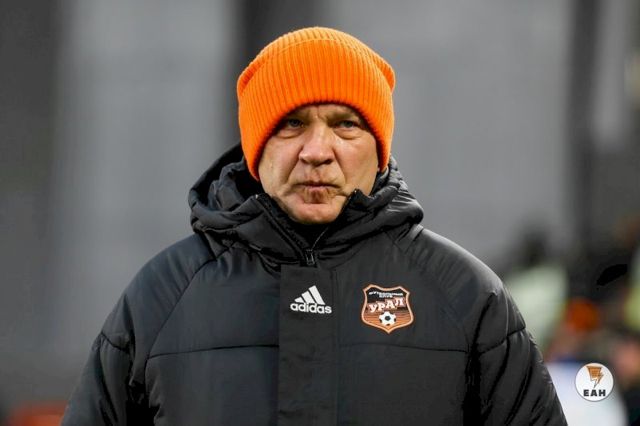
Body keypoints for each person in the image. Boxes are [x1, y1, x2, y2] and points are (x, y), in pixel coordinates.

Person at [61, 26, 566, 425]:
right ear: (256, 148)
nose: (317, 151)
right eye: (292, 123)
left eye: (346, 124)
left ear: (379, 148)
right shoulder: (160, 298)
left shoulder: (467, 297)